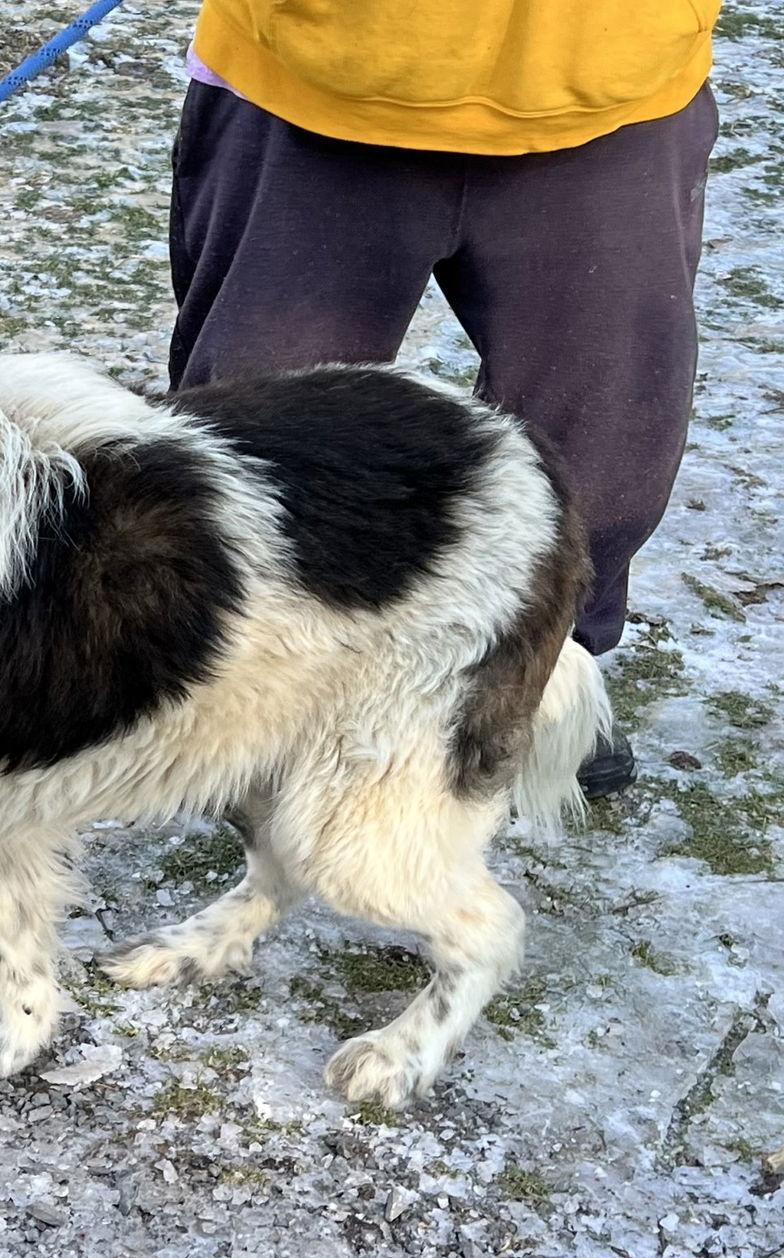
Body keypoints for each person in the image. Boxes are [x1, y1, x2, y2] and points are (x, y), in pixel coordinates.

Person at [169, 1, 721, 796]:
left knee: (606, 440)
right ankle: (259, 693)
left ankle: (542, 674)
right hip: (306, 80)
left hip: (613, 84)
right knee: (257, 440)